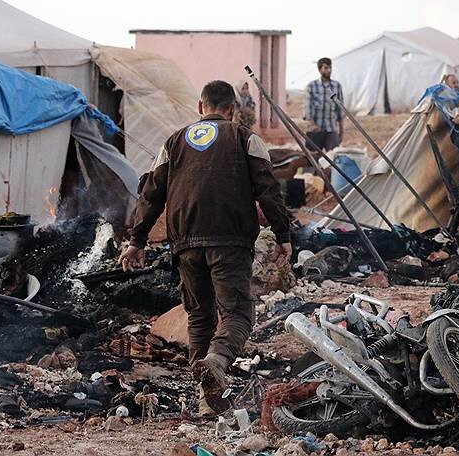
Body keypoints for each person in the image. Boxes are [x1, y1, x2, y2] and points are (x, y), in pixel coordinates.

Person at [119, 80, 291, 414]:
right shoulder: (245, 138)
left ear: (200, 107)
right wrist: (283, 234)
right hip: (229, 240)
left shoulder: (173, 142)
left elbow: (151, 194)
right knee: (237, 313)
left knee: (199, 317)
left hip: (185, 243)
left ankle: (206, 399)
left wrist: (137, 241)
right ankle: (217, 361)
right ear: (232, 110)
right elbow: (268, 190)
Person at [305, 57, 343, 151]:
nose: (329, 70)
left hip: (331, 129)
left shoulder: (336, 86)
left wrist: (341, 131)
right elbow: (308, 108)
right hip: (316, 130)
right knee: (313, 157)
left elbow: (340, 110)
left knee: (333, 156)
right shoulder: (312, 86)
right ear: (319, 69)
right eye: (326, 68)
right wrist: (312, 125)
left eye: (330, 68)